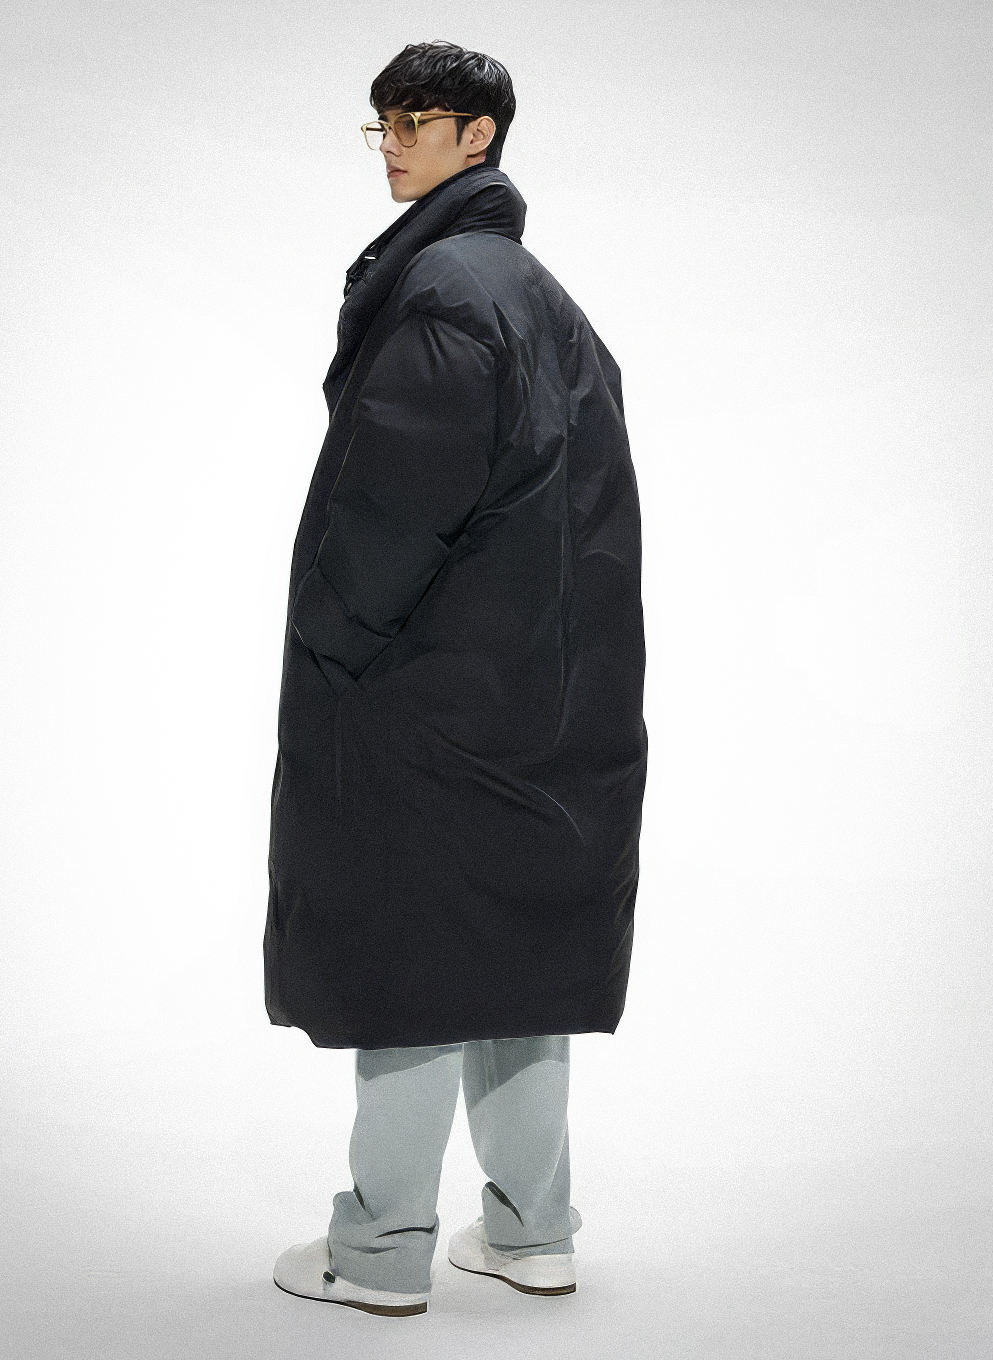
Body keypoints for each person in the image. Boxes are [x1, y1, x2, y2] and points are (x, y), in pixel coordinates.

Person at [265, 40, 647, 1317]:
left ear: (478, 136)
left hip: (430, 704)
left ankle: (379, 1251)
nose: (391, 143)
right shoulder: (544, 299)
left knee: (410, 963)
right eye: (380, 122)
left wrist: (330, 643)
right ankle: (535, 1234)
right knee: (523, 962)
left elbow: (390, 508)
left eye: (416, 120)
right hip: (547, 699)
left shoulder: (445, 293)